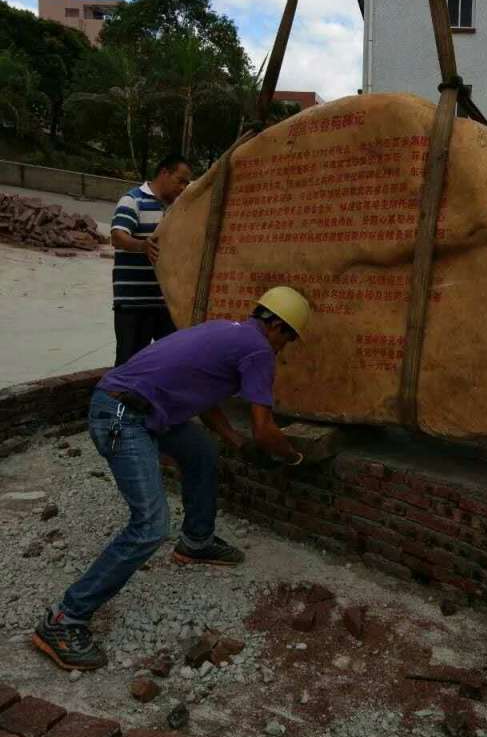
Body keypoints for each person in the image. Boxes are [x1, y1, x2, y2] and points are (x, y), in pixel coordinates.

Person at [32, 287, 311, 672]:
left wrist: (232, 440)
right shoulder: (258, 349)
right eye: (290, 338)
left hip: (136, 407)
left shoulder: (226, 331)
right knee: (149, 526)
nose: (286, 348)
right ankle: (64, 621)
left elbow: (204, 393)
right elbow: (265, 430)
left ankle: (196, 541)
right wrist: (293, 456)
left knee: (201, 452)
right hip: (121, 416)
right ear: (277, 325)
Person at [111, 154, 193, 365]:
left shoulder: (177, 209)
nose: (183, 187)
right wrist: (142, 246)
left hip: (164, 304)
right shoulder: (132, 200)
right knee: (129, 363)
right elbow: (118, 236)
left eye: (187, 183)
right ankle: (115, 399)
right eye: (180, 180)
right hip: (133, 303)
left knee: (172, 359)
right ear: (164, 173)